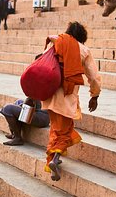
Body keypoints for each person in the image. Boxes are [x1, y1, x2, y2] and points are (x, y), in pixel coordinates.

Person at [41, 22, 102, 182]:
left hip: (49, 93)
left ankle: (55, 157)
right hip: (66, 97)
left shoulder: (56, 42)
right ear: (82, 37)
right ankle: (54, 159)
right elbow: (93, 77)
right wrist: (94, 95)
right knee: (64, 130)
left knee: (56, 126)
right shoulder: (83, 50)